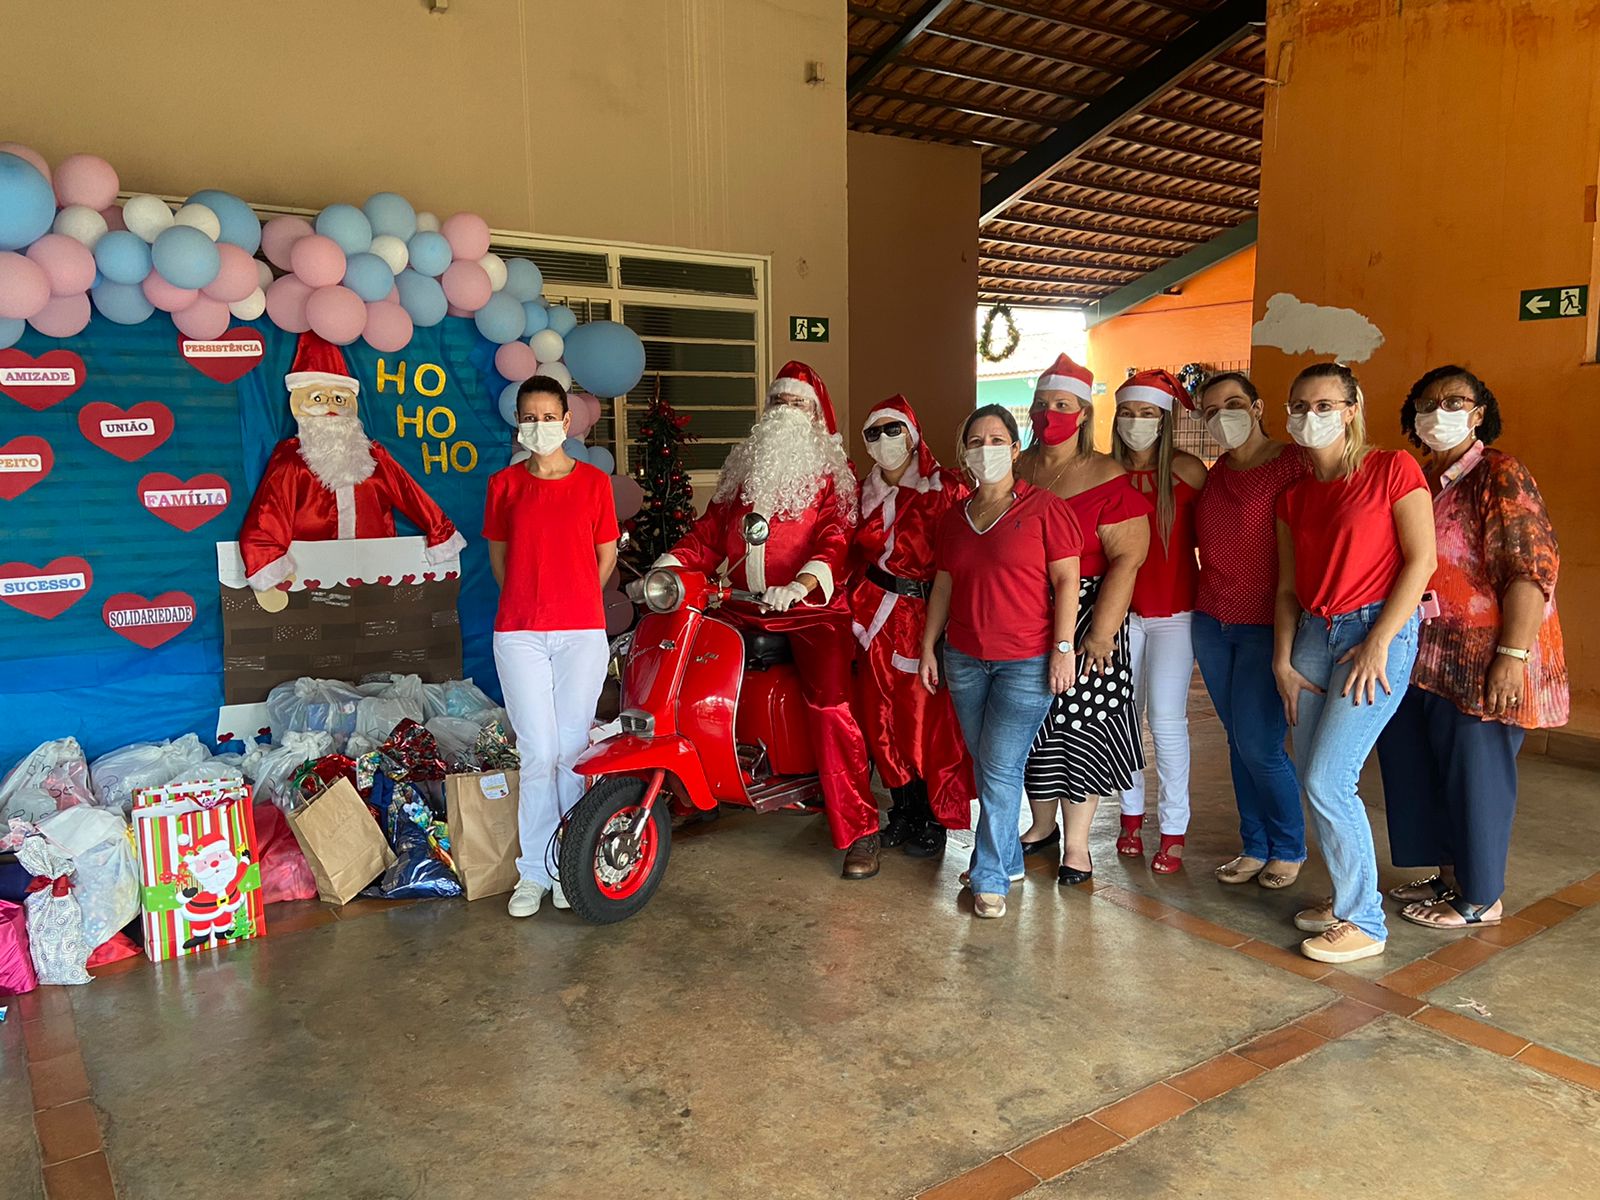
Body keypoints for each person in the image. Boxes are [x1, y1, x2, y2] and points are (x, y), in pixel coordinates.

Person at [656, 362, 882, 879]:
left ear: (817, 415)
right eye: (777, 402)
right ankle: (696, 791)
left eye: (797, 403)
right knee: (688, 673)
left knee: (829, 706)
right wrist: (665, 568)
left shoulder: (833, 475)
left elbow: (835, 538)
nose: (785, 413)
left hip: (812, 611)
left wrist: (799, 586)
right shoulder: (745, 474)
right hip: (740, 603)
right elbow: (709, 535)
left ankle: (860, 827)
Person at [1376, 366, 1568, 928]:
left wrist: (1512, 657)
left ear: (1479, 411)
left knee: (1474, 770)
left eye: (1454, 400)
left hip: (1484, 654)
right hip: (1426, 653)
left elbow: (1529, 573)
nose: (1439, 412)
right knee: (1423, 766)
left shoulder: (1499, 474)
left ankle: (1480, 894)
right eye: (1427, 403)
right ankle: (1447, 873)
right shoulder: (1423, 478)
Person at [1274, 362, 1435, 963]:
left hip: (1377, 629)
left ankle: (1364, 920)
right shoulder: (1294, 497)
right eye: (1299, 406)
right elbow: (1287, 589)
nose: (1309, 417)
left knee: (1329, 777)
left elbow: (1421, 562)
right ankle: (1346, 897)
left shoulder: (1393, 469)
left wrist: (1378, 642)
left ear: (1351, 409)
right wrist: (1282, 659)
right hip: (1314, 634)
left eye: (1323, 405)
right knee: (1311, 772)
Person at [920, 405, 1080, 919]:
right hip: (964, 659)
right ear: (964, 453)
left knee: (999, 766)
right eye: (974, 441)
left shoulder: (1045, 509)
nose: (984, 449)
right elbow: (944, 582)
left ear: (1014, 448)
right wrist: (929, 645)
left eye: (996, 439)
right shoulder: (954, 518)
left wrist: (1063, 648)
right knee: (988, 764)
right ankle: (1008, 859)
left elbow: (1066, 582)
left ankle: (990, 877)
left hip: (1025, 662)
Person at [483, 375, 619, 918]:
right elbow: (500, 559)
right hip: (518, 633)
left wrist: (577, 595)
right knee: (538, 753)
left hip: (581, 633)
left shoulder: (593, 484)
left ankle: (570, 864)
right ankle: (534, 872)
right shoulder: (504, 486)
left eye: (548, 416)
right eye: (530, 416)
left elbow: (605, 555)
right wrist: (527, 598)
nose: (539, 426)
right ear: (520, 423)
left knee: (571, 752)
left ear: (568, 422)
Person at [1016, 354, 1152, 886]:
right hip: (1026, 611)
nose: (1052, 413)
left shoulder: (1106, 474)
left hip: (1091, 612)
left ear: (1081, 413)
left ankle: (1077, 846)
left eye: (1063, 406)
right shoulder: (1018, 466)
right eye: (1044, 404)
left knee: (1081, 727)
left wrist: (1099, 634)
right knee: (1034, 723)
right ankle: (1041, 825)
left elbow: (1129, 557)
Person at [238, 331, 465, 611]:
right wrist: (268, 565)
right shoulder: (292, 459)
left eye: (339, 399)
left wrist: (439, 532)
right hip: (314, 573)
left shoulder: (373, 455)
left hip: (376, 570)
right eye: (319, 398)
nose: (331, 407)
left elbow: (409, 493)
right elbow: (270, 511)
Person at [1192, 372, 1311, 889]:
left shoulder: (1293, 464)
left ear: (1259, 406)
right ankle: (1254, 843)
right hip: (1213, 620)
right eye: (1212, 410)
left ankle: (1288, 845)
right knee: (1237, 739)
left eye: (1234, 404)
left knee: (1261, 744)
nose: (1224, 417)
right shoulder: (1215, 474)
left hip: (1269, 623)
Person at [850, 395, 975, 858]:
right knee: (878, 716)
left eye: (892, 429)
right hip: (873, 617)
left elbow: (963, 558)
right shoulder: (860, 493)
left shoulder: (946, 488)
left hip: (925, 618)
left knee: (922, 718)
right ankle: (901, 811)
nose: (884, 441)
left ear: (912, 433)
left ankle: (930, 815)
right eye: (873, 433)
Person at [1110, 370, 1207, 873]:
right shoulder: (1104, 471)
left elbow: (1216, 540)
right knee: (1123, 720)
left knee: (1167, 721)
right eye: (1127, 412)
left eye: (1147, 414)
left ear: (1164, 420)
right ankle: (1129, 818)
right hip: (1119, 613)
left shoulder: (1190, 472)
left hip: (1176, 613)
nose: (1136, 422)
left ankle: (1173, 829)